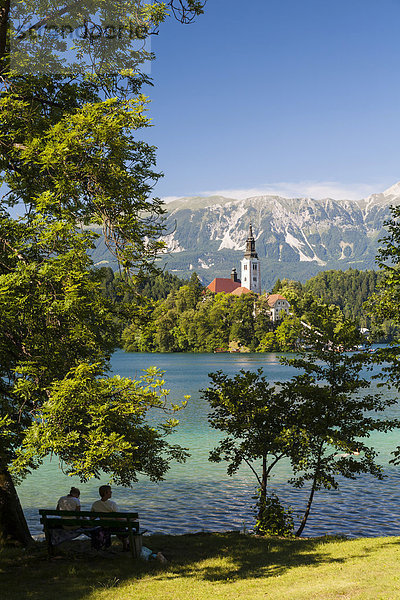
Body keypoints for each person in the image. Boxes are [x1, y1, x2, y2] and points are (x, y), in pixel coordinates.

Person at [91, 485, 129, 551]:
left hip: (104, 527)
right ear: (106, 493)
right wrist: (128, 520)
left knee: (119, 526)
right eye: (110, 491)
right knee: (122, 527)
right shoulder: (112, 504)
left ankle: (105, 546)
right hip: (114, 527)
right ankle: (126, 546)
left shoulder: (95, 504)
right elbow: (117, 517)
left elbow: (92, 518)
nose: (111, 492)